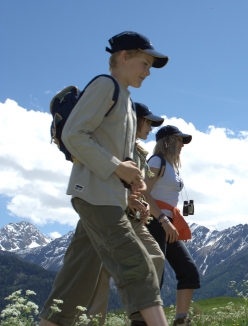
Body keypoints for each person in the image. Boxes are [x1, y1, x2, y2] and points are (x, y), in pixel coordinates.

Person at [40, 31, 170, 326]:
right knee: (137, 266)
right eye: (144, 63)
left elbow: (113, 154)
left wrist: (131, 183)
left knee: (75, 282)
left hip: (104, 195)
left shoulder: (124, 97)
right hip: (97, 197)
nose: (148, 72)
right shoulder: (105, 85)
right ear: (123, 57)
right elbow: (74, 134)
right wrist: (118, 167)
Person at [86, 102, 166, 326]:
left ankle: (140, 319)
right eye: (148, 122)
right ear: (134, 120)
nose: (150, 127)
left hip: (133, 218)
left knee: (156, 257)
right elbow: (102, 174)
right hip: (108, 212)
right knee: (102, 273)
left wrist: (143, 203)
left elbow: (136, 185)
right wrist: (125, 198)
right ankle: (94, 322)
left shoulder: (139, 151)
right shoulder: (113, 142)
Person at [144, 125, 201, 326]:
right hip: (155, 222)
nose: (182, 145)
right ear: (167, 141)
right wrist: (163, 220)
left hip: (167, 223)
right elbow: (143, 192)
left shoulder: (171, 167)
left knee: (189, 272)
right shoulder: (156, 161)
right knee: (154, 277)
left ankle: (180, 320)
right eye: (179, 140)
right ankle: (143, 321)